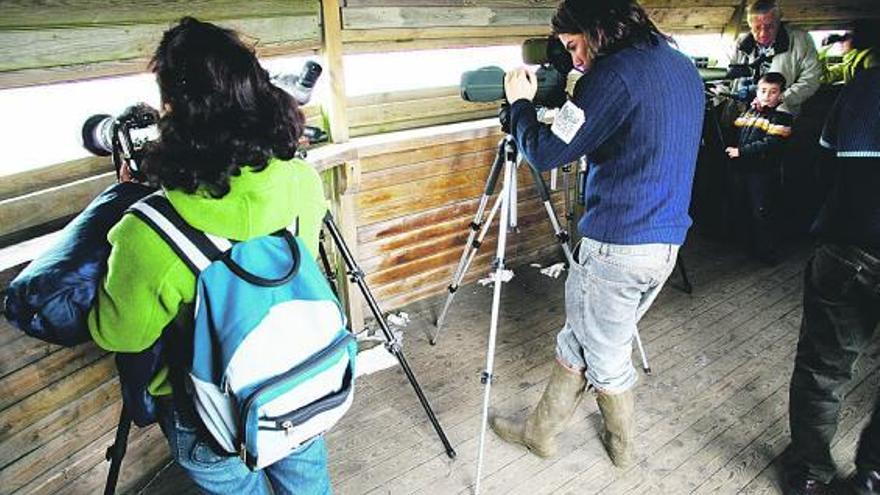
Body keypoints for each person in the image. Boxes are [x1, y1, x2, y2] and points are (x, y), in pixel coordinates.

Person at [86, 17, 332, 494]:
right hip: (298, 383)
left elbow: (120, 332)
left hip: (207, 416)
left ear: (172, 110)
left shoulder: (149, 229)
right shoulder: (301, 180)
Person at [489, 0, 704, 468]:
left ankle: (623, 448)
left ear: (597, 29)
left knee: (606, 355)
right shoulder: (680, 64)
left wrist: (520, 105)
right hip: (665, 241)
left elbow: (545, 153)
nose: (576, 60)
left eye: (574, 45)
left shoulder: (609, 78)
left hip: (618, 245)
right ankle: (539, 433)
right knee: (585, 334)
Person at [783, 66, 880, 495]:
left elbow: (821, 167)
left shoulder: (865, 86)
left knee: (824, 368)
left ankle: (808, 474)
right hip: (852, 244)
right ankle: (873, 477)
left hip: (849, 245)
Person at [725, 72, 793, 264]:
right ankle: (748, 245)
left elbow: (771, 143)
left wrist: (742, 151)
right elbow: (735, 129)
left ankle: (767, 251)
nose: (767, 95)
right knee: (743, 205)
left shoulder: (782, 116)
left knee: (761, 211)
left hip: (762, 171)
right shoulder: (750, 111)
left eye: (773, 92)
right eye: (763, 91)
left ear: (781, 95)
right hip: (743, 168)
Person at [729, 0, 821, 117]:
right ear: (750, 25)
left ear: (778, 23)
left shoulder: (801, 41)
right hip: (742, 113)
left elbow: (811, 79)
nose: (763, 33)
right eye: (757, 28)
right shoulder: (740, 44)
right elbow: (727, 78)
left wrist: (781, 98)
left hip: (781, 115)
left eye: (769, 27)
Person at [819, 20, 879, 85]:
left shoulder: (870, 58)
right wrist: (823, 50)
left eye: (845, 38)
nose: (841, 42)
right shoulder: (849, 62)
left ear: (857, 39)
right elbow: (824, 77)